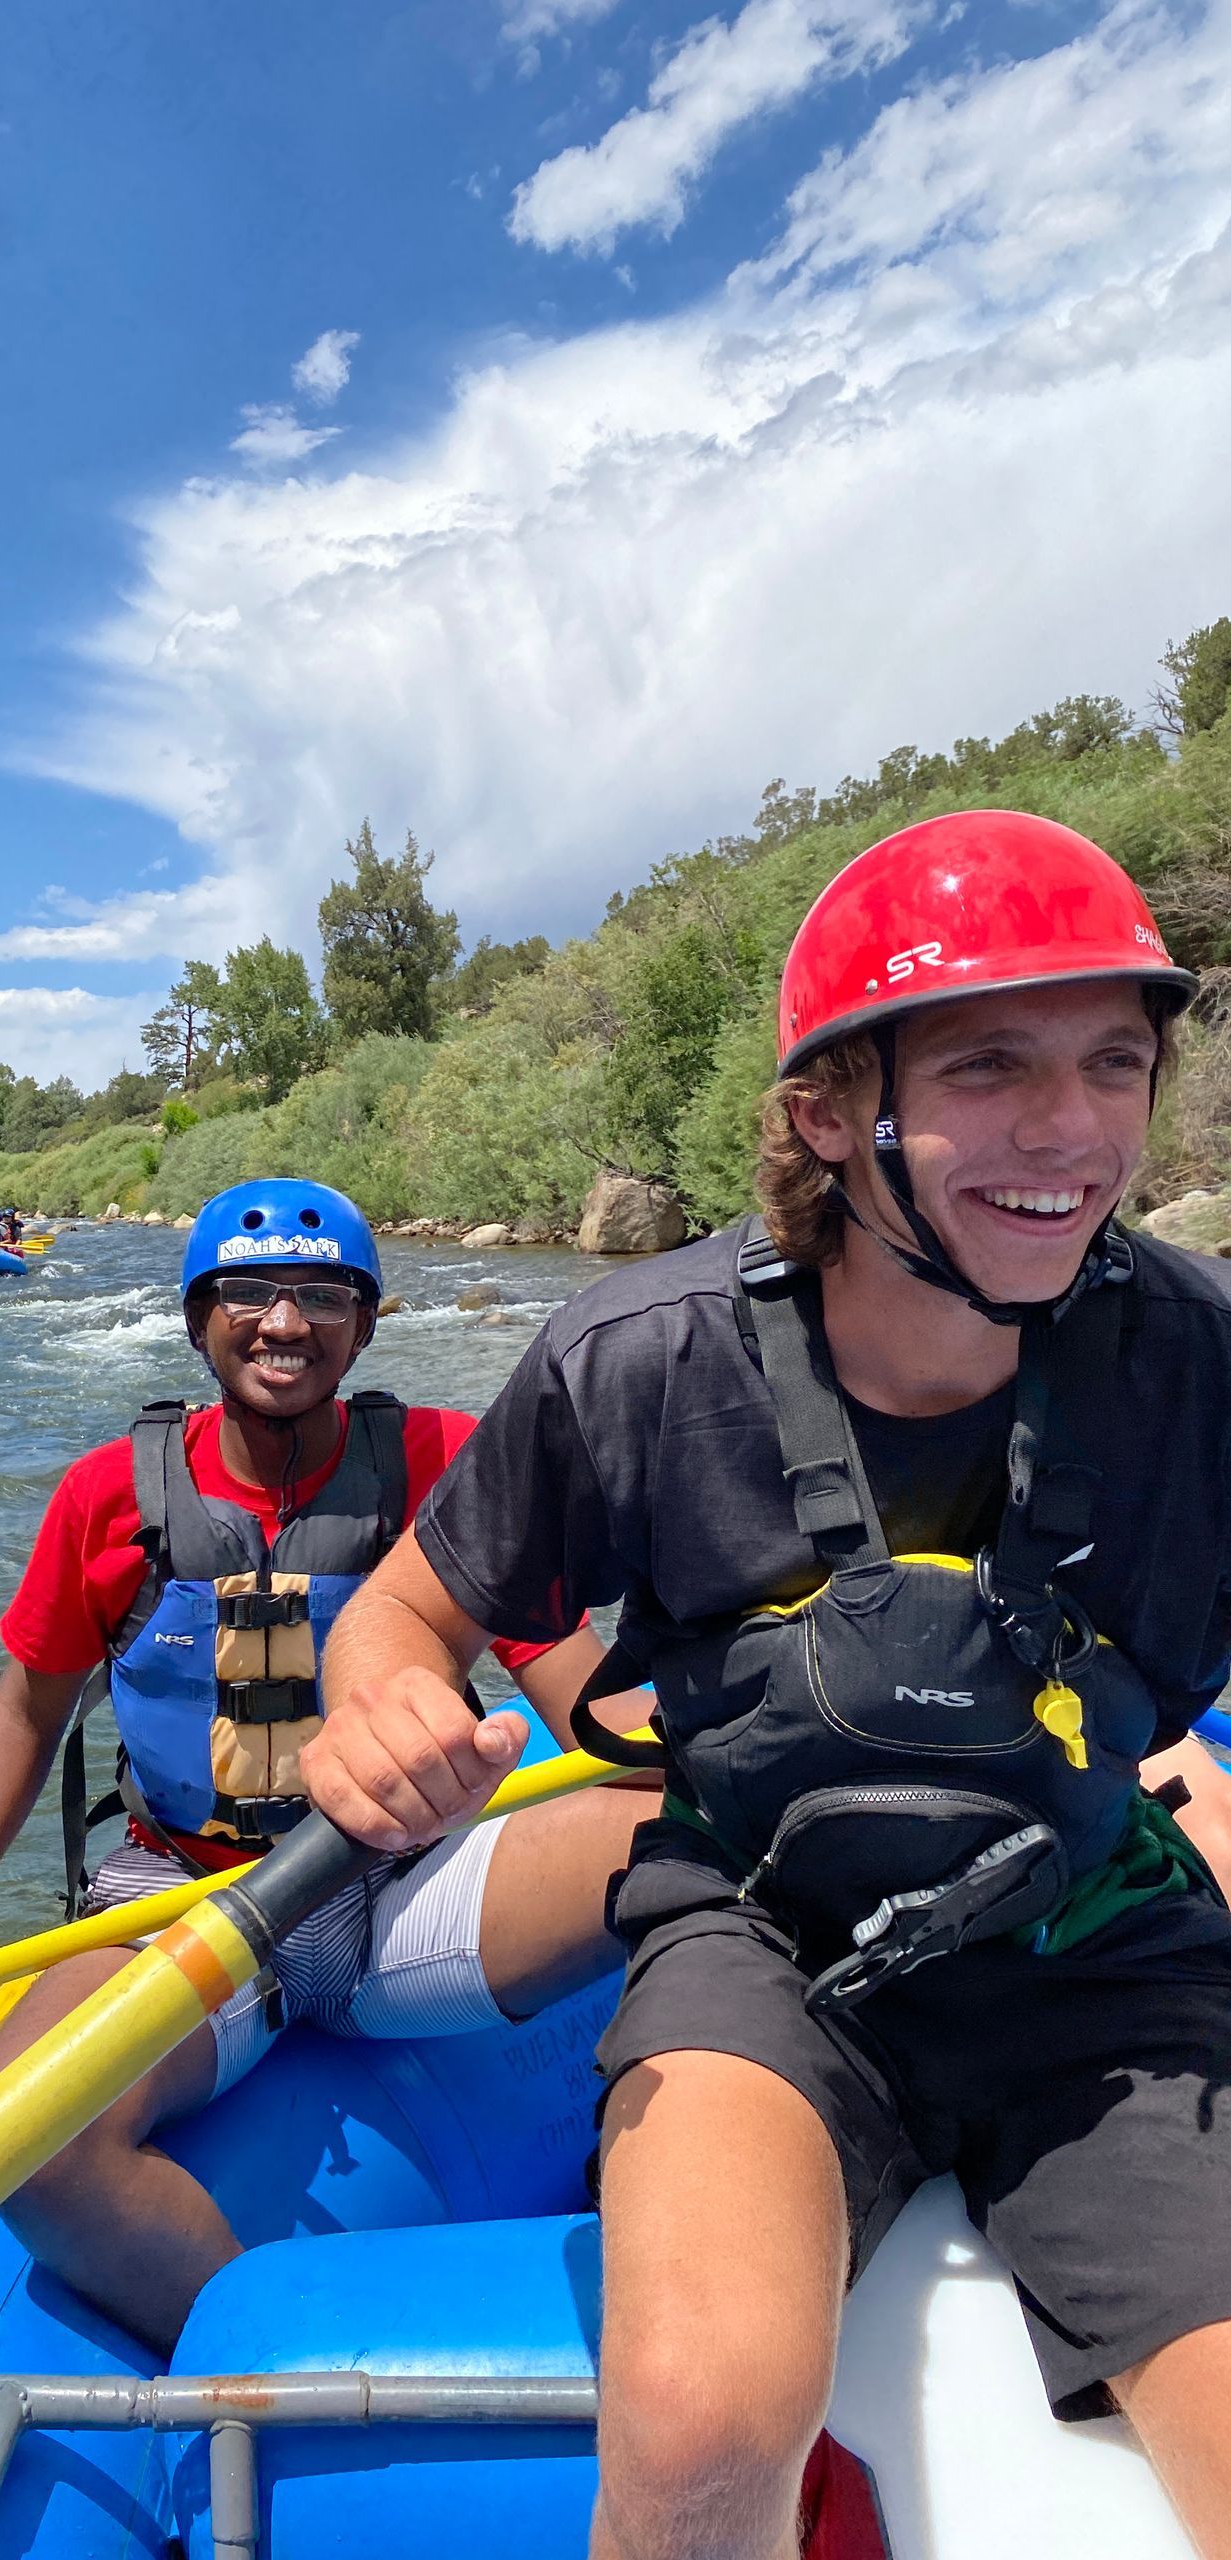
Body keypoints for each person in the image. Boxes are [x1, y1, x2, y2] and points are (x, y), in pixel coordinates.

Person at [303, 810, 1231, 2560]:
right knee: (702, 2419)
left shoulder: (1201, 1360)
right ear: (828, 1112)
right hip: (768, 1936)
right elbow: (407, 1614)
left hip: (1104, 1944)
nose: (1073, 1129)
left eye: (1118, 1062)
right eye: (990, 1066)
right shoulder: (636, 1362)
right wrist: (377, 1697)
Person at [0, 1177, 656, 2349]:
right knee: (29, 2133)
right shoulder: (105, 1498)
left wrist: (691, 1765)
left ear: (366, 1325)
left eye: (323, 1296)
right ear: (196, 1319)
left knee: (696, 1828)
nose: (285, 1323)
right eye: (249, 1294)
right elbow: (26, 1712)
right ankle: (278, 2371)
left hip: (404, 1889)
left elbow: (566, 1675)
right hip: (187, 1904)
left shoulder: (445, 1458)